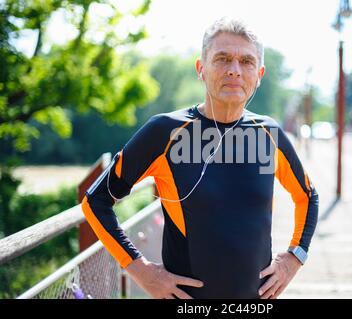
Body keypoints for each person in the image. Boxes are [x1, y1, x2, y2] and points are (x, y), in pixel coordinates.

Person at [81, 17, 319, 299]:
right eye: (222, 59)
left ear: (259, 75)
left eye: (246, 61)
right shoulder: (165, 132)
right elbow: (96, 201)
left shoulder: (269, 134)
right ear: (201, 69)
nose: (234, 70)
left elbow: (307, 196)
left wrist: (295, 257)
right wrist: (140, 270)